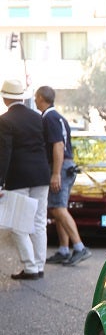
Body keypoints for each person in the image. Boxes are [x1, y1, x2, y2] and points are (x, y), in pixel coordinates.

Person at [0, 79, 50, 280]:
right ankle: (39, 265)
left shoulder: (5, 120)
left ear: (5, 98)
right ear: (21, 97)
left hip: (18, 176)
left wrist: (0, 180)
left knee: (18, 223)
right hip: (41, 174)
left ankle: (30, 267)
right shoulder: (38, 117)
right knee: (39, 222)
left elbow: (5, 152)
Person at [35, 86, 91, 267]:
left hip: (61, 166)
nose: (35, 100)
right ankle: (63, 249)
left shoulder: (49, 117)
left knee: (58, 208)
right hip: (67, 165)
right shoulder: (57, 116)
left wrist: (55, 173)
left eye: (36, 97)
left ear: (42, 98)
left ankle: (79, 247)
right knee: (58, 208)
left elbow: (58, 146)